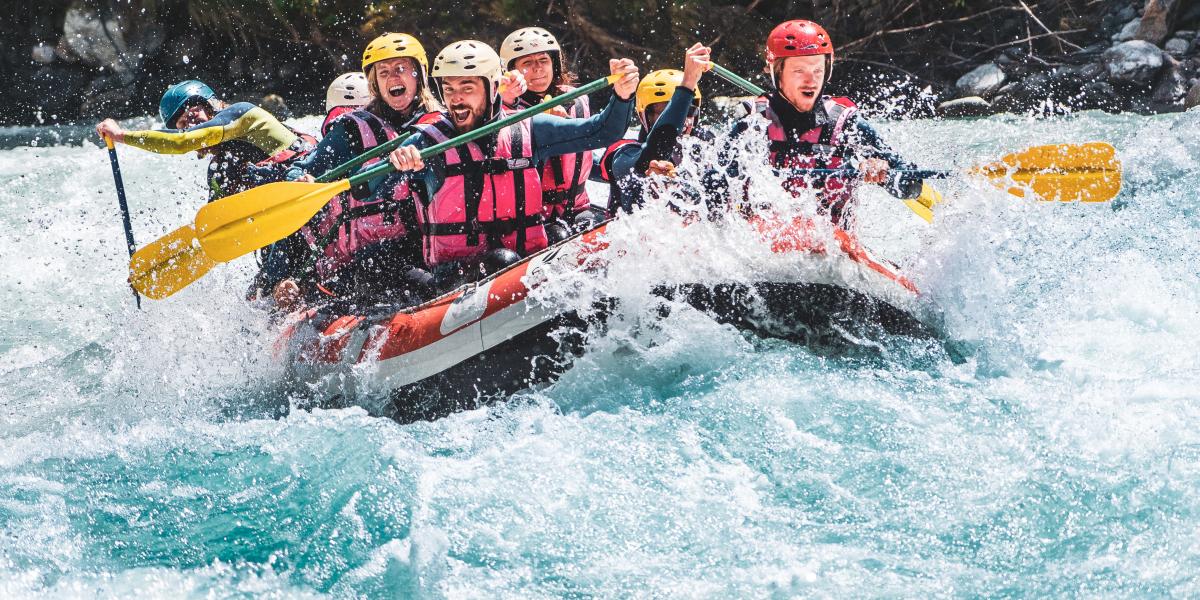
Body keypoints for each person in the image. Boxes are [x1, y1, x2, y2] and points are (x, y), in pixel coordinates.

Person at [384, 41, 638, 289]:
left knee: (558, 235)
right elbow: (367, 189)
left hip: (523, 262)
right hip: (458, 275)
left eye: (467, 87)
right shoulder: (427, 141)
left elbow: (602, 132)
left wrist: (623, 94)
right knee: (501, 261)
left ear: (493, 87)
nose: (456, 99)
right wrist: (396, 162)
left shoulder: (529, 129)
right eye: (448, 89)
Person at [708, 20, 923, 229]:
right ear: (777, 73)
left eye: (817, 70)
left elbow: (912, 187)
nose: (811, 81)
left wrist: (884, 173)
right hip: (766, 247)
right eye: (799, 71)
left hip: (834, 246)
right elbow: (712, 192)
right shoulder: (753, 125)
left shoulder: (846, 123)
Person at [94, 80, 316, 201]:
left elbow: (180, 142)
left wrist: (122, 136)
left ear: (211, 105)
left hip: (310, 172)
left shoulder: (241, 113)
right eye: (183, 124)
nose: (192, 126)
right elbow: (215, 225)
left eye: (193, 114)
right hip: (285, 208)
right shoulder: (221, 168)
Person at [500, 27, 596, 239]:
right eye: (527, 63)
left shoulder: (577, 99)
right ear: (511, 70)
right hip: (529, 217)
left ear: (555, 64)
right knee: (557, 235)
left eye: (543, 60)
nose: (537, 69)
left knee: (591, 227)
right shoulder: (502, 111)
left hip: (575, 208)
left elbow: (588, 155)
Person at [597, 43, 711, 215]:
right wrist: (688, 83)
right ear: (643, 116)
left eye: (689, 109)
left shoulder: (706, 146)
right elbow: (655, 150)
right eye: (665, 112)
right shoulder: (624, 153)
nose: (682, 120)